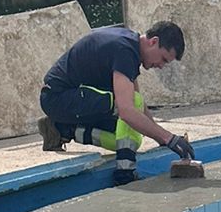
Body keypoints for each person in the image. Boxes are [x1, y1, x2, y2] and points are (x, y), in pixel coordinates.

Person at [38, 21, 196, 183]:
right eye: (163, 59)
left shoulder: (130, 46)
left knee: (128, 140)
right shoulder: (125, 50)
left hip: (71, 100)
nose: (161, 66)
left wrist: (160, 137)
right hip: (58, 97)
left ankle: (63, 130)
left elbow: (137, 100)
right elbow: (127, 110)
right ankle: (124, 173)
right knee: (129, 112)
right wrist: (169, 138)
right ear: (153, 42)